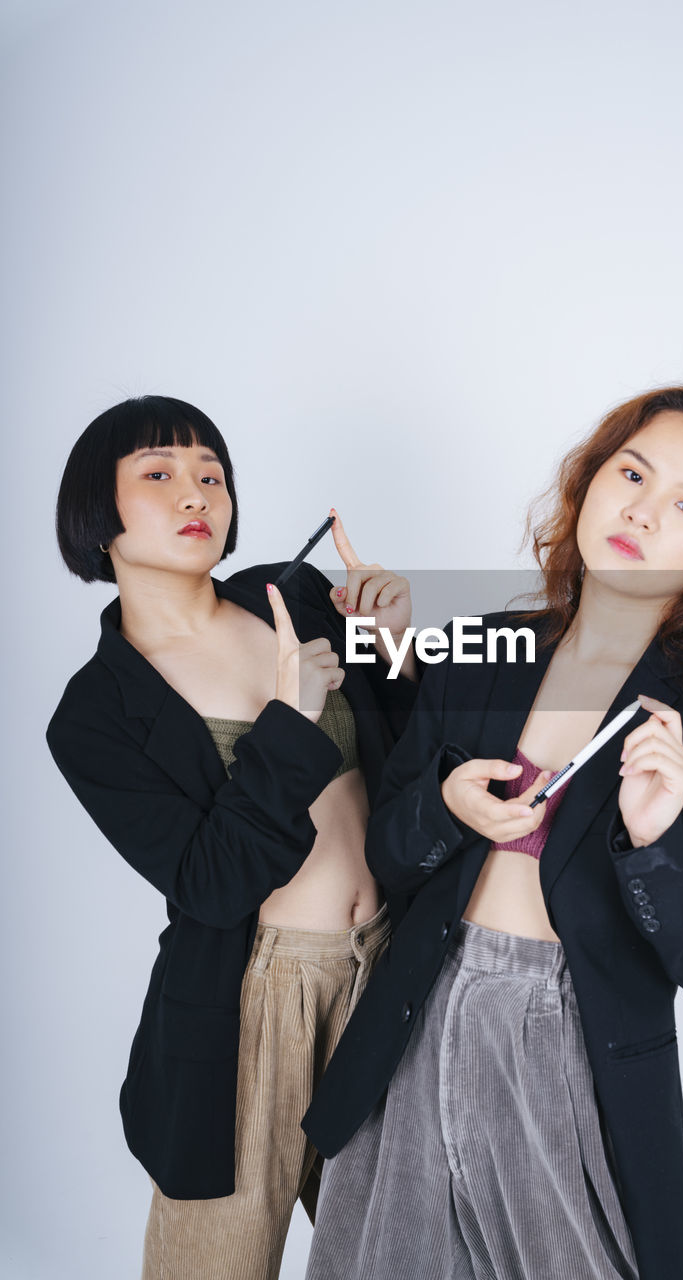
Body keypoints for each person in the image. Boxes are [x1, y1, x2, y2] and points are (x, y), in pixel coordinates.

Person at [301, 386, 683, 1280]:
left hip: (566, 1049)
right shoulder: (481, 649)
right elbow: (391, 852)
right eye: (631, 473)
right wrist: (450, 810)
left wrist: (656, 841)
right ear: (590, 483)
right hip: (416, 1021)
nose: (642, 509)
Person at [46, 394, 417, 1280]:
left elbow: (408, 759)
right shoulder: (94, 713)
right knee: (214, 1263)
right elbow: (210, 883)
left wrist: (397, 648)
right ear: (97, 514)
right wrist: (289, 719)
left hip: (387, 964)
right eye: (160, 474)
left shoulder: (288, 599)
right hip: (251, 998)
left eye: (211, 474)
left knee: (397, 1254)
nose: (195, 494)